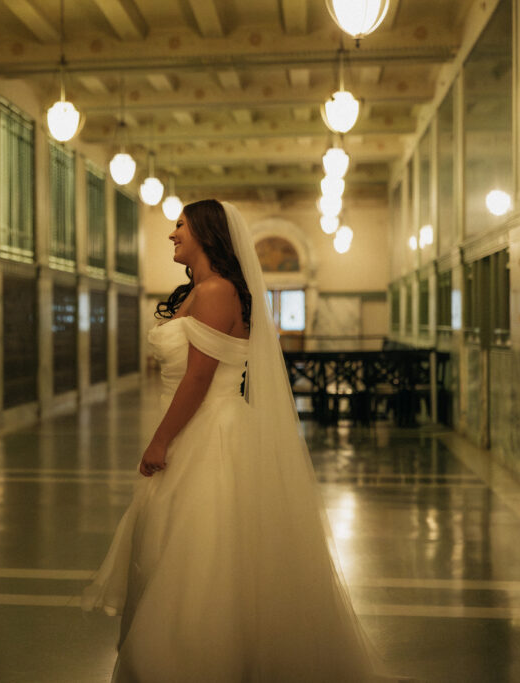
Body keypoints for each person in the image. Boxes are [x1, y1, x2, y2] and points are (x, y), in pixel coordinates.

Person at [82, 200, 384, 682]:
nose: (171, 234)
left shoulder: (218, 291)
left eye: (179, 225)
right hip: (189, 427)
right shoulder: (194, 291)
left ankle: (195, 661)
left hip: (211, 433)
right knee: (171, 547)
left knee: (203, 553)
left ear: (204, 232)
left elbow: (198, 380)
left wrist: (159, 442)